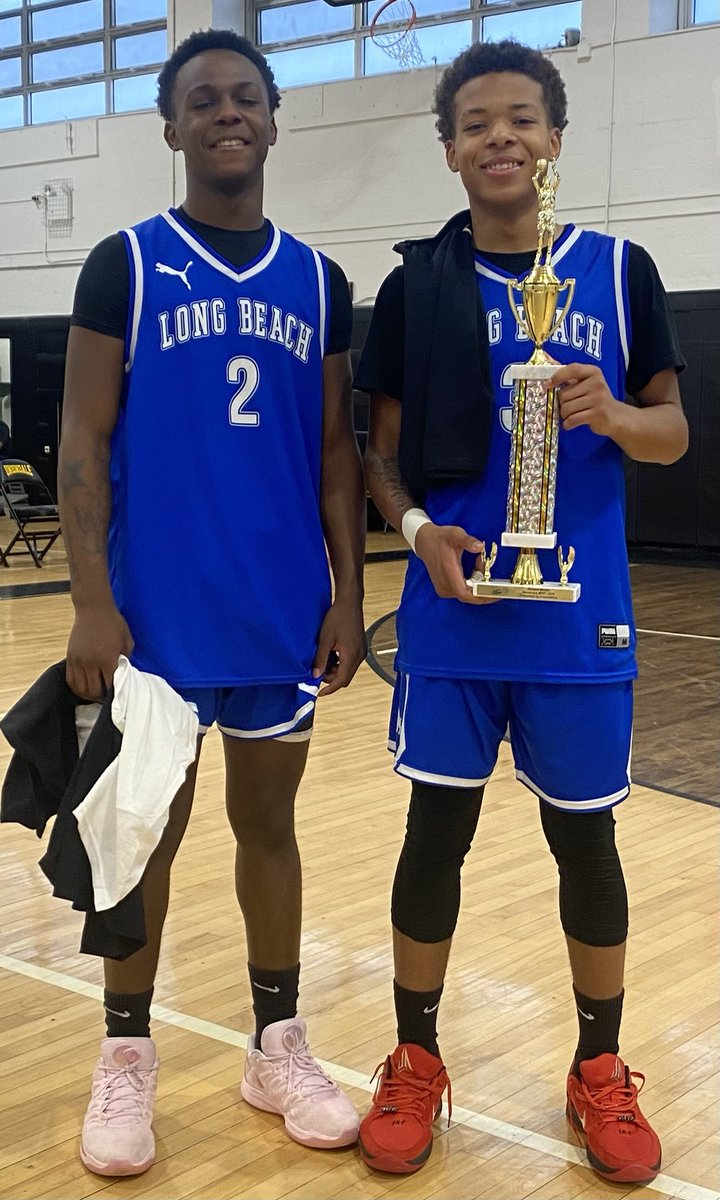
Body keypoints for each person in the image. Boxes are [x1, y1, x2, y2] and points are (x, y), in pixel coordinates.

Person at [354, 39, 687, 1184]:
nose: (500, 137)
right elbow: (379, 455)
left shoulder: (621, 269)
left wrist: (613, 414)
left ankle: (599, 1069)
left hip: (577, 615)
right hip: (454, 610)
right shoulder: (414, 287)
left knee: (582, 838)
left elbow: (673, 431)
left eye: (521, 119)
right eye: (476, 122)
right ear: (450, 151)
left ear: (553, 140)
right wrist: (414, 532)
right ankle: (413, 1057)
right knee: (433, 835)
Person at [58, 28, 366, 1177]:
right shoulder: (125, 264)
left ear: (275, 120)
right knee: (143, 839)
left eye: (246, 96)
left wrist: (349, 595)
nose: (227, 112)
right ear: (172, 126)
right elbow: (81, 435)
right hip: (155, 620)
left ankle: (275, 1043)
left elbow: (336, 454)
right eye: (203, 99)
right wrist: (91, 600)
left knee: (269, 830)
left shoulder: (318, 279)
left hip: (280, 611)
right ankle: (126, 1055)